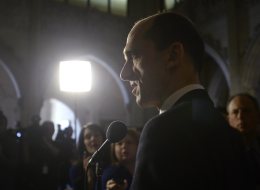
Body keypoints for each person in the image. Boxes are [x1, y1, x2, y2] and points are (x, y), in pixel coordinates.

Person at [120, 11, 252, 189]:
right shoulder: (231, 135)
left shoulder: (160, 131)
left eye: (134, 56)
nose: (124, 73)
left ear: (173, 55)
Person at [226, 93, 260, 188]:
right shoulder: (221, 153)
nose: (240, 116)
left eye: (246, 111)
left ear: (258, 116)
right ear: (228, 120)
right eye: (235, 112)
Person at [69, 123, 110, 190]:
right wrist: (89, 178)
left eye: (96, 135)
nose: (93, 139)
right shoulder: (76, 169)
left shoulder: (112, 162)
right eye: (88, 137)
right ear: (83, 142)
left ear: (103, 138)